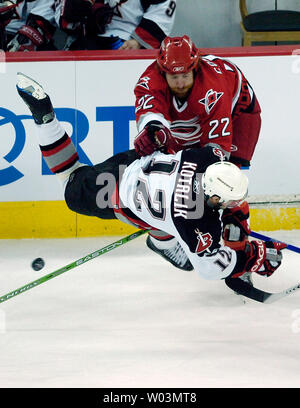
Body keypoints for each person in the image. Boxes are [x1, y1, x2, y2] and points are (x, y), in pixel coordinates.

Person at [15, 72, 285, 286]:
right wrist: (255, 256)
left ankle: (45, 117)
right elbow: (211, 268)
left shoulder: (206, 158)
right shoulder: (193, 221)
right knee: (70, 178)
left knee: (150, 213)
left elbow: (220, 184)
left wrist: (244, 241)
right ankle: (45, 118)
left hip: (135, 162)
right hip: (114, 195)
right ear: (214, 197)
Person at [133, 35, 262, 271]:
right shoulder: (148, 81)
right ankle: (164, 242)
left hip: (240, 115)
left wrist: (207, 201)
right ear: (163, 72)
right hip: (192, 120)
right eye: (174, 76)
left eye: (185, 75)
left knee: (227, 180)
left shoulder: (214, 87)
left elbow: (216, 155)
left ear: (196, 67)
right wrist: (153, 129)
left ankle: (238, 251)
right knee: (168, 178)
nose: (180, 82)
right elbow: (151, 114)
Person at [58, 0, 176, 50]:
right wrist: (79, 6)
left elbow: (162, 11)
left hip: (128, 40)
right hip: (85, 40)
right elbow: (64, 18)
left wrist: (138, 42)